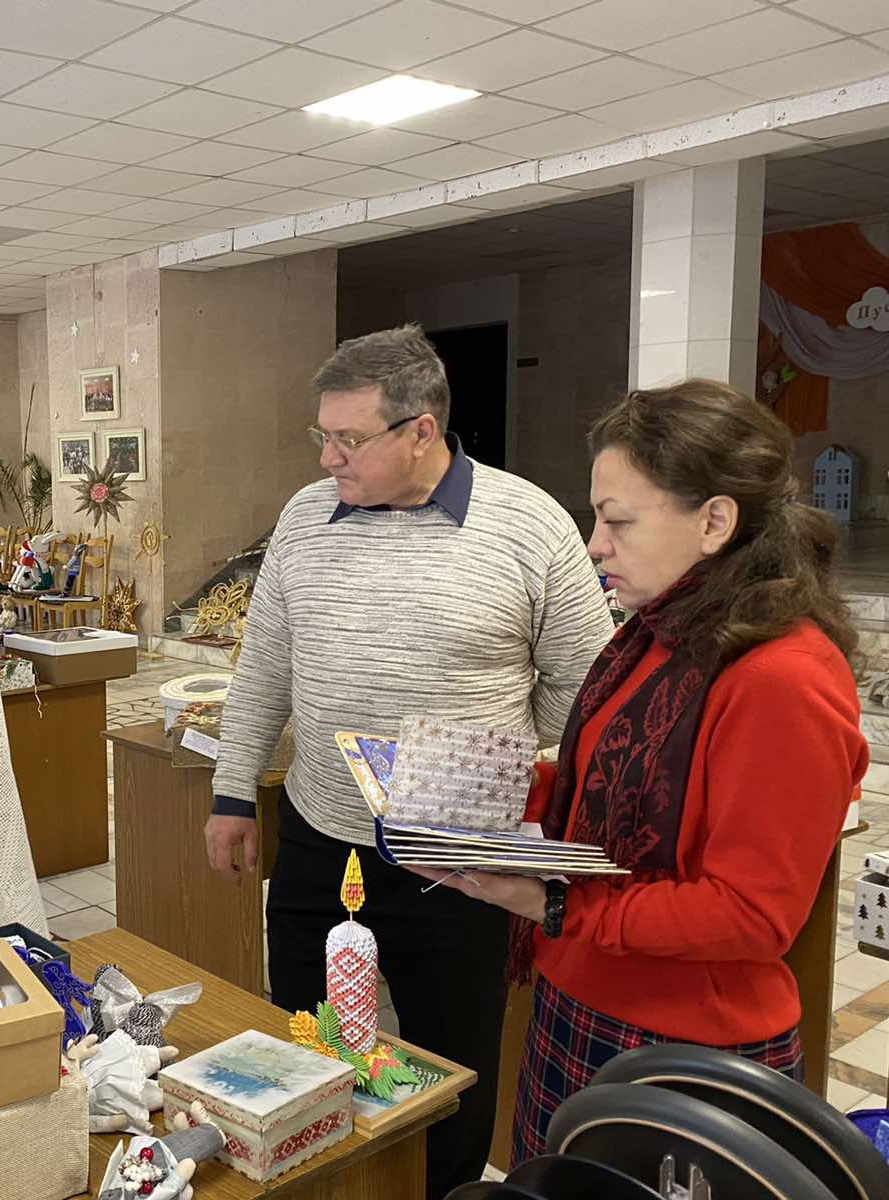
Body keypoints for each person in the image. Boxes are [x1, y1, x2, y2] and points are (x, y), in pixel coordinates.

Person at [409, 379, 867, 1165]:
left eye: (618, 521)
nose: (595, 544)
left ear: (715, 520)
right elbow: (606, 787)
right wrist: (477, 790)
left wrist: (553, 901)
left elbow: (750, 914)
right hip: (582, 994)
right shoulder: (660, 632)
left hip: (681, 1040)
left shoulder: (782, 677)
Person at [206, 325, 615, 1199]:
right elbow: (266, 664)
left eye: (348, 439)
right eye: (321, 435)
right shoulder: (304, 518)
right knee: (308, 1043)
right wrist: (233, 791)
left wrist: (487, 748)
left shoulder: (529, 523)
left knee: (450, 1062)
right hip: (320, 837)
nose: (327, 458)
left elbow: (587, 686)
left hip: (458, 858)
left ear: (421, 430)